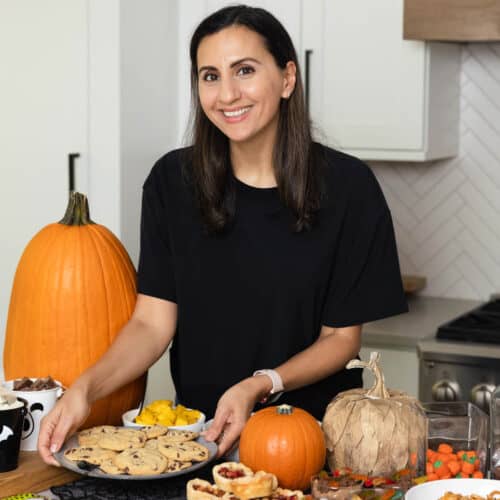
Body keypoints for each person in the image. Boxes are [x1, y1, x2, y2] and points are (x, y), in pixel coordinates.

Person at [38, 4, 408, 466]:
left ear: (287, 77)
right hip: (198, 444)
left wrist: (260, 384)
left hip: (312, 447)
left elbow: (340, 338)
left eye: (245, 70)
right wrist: (84, 391)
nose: (227, 94)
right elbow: (152, 323)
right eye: (209, 75)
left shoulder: (349, 189)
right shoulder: (171, 183)